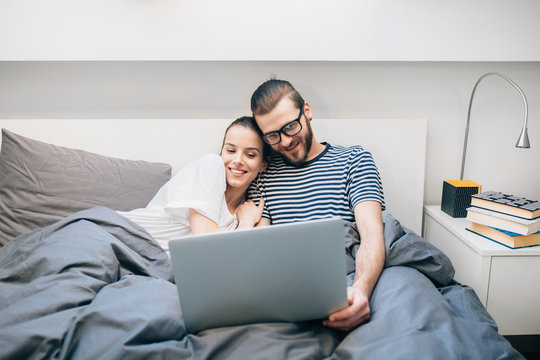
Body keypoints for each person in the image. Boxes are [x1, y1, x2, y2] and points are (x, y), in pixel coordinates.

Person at [247, 79, 386, 332]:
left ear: (307, 111)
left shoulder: (354, 160)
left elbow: (372, 233)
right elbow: (260, 251)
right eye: (272, 136)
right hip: (292, 285)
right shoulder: (262, 175)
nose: (285, 141)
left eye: (290, 126)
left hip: (351, 277)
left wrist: (360, 291)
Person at [119, 116, 269, 252]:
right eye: (230, 150)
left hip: (149, 265)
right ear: (221, 153)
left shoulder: (246, 209)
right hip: (118, 235)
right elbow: (205, 245)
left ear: (263, 164)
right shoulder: (211, 165)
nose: (237, 160)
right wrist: (247, 223)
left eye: (250, 155)